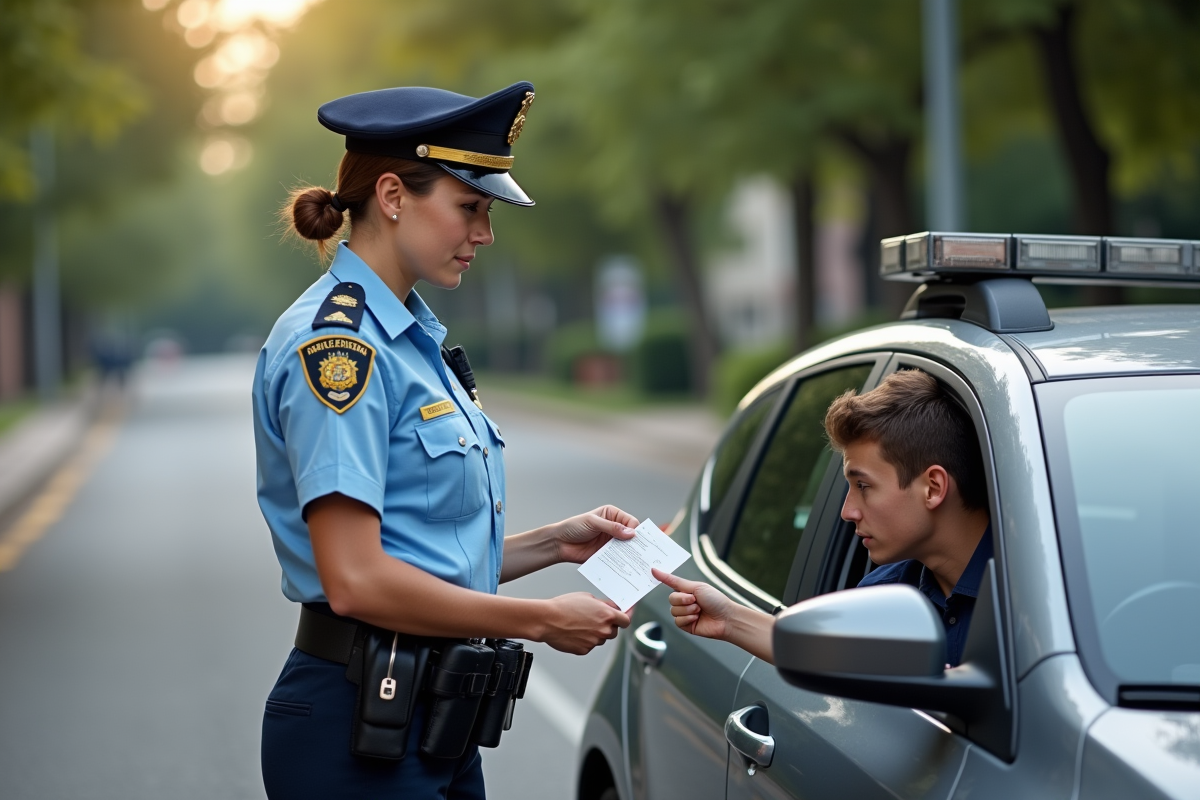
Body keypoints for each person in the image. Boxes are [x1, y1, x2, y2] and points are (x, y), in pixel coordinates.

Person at [252, 81, 634, 799]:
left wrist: (556, 543)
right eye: (470, 208)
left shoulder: (411, 339)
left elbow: (422, 553)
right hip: (357, 728)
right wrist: (542, 620)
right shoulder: (341, 349)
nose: (484, 235)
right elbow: (357, 579)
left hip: (431, 719)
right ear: (393, 195)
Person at [654, 370, 991, 667]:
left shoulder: (1034, 599)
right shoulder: (881, 597)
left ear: (932, 488)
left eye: (863, 485)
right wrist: (729, 620)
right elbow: (824, 651)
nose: (847, 511)